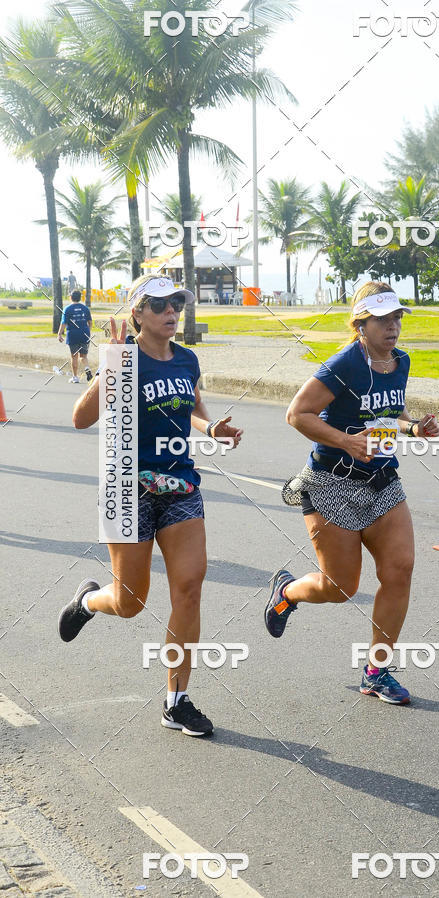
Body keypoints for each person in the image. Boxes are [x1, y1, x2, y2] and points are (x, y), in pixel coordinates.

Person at [57, 274, 243, 736]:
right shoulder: (122, 358)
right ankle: (88, 600)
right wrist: (113, 366)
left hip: (180, 486)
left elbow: (194, 410)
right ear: (137, 313)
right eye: (159, 305)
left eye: (176, 304)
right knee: (130, 601)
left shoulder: (186, 359)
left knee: (189, 588)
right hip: (126, 489)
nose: (170, 311)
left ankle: (176, 701)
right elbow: (80, 419)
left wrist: (210, 429)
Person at [265, 281, 439, 704]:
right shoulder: (344, 363)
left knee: (400, 569)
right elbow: (297, 414)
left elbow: (387, 408)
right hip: (331, 483)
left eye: (397, 317)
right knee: (340, 587)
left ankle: (377, 672)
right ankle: (287, 592)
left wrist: (413, 425)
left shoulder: (400, 361)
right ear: (360, 325)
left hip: (383, 482)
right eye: (382, 318)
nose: (392, 326)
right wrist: (346, 440)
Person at [57, 290, 93, 383]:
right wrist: (88, 332)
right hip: (84, 334)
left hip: (73, 335)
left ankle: (75, 377)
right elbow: (90, 322)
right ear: (80, 298)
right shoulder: (85, 308)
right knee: (83, 356)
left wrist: (59, 334)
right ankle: (87, 368)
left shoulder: (67, 309)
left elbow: (64, 323)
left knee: (74, 356)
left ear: (71, 297)